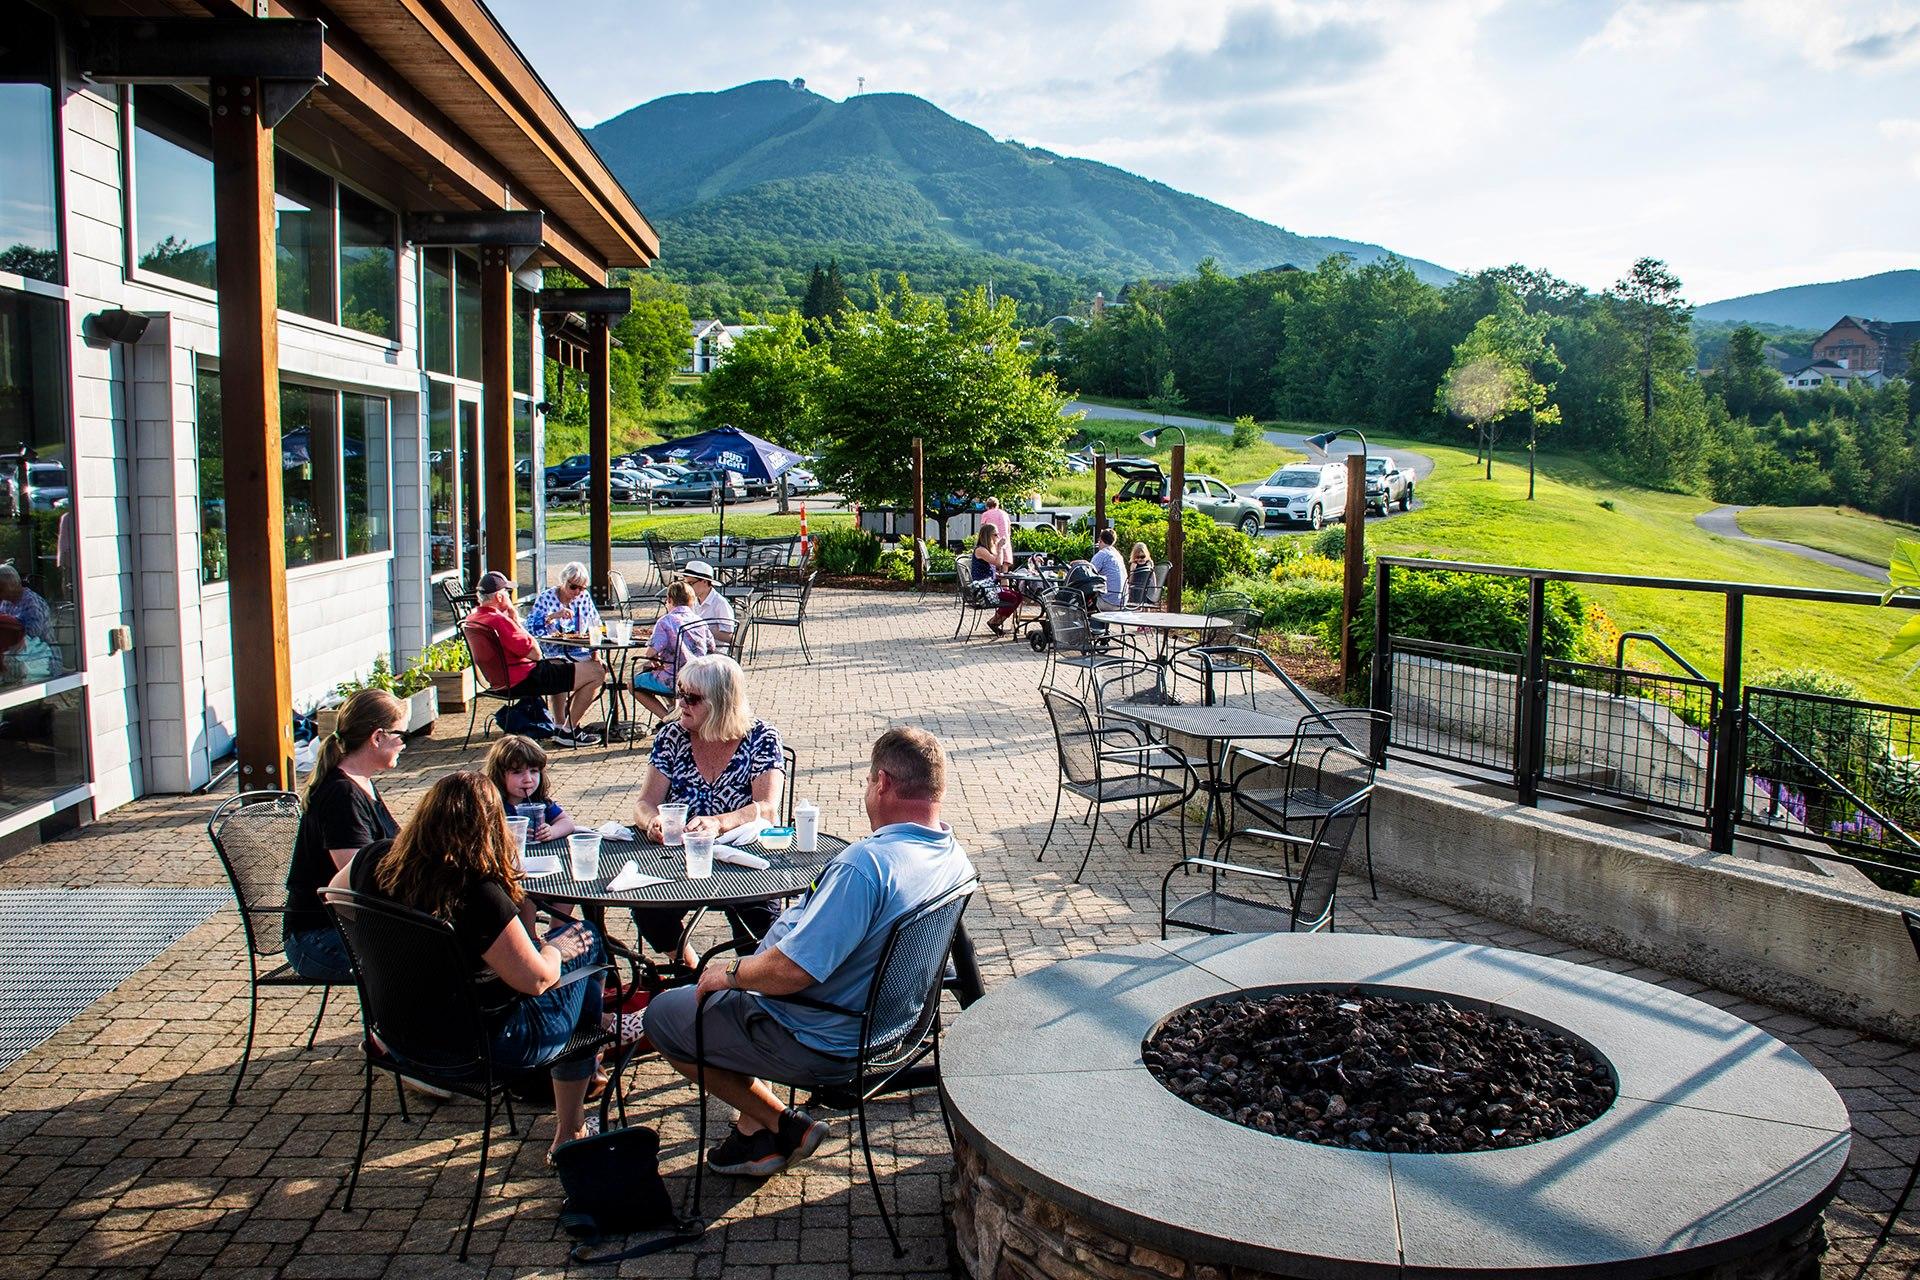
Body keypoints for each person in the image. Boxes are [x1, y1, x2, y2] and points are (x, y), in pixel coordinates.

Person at [644, 726, 975, 1179]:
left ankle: (785, 1124)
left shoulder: (868, 866)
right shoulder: (954, 856)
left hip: (820, 1035)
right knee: (725, 1008)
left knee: (664, 1014)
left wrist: (730, 973)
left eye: (864, 783)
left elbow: (790, 972)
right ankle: (755, 1136)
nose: (865, 791)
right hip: (892, 1025)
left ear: (882, 783)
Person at [329, 771, 605, 1157]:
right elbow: (537, 980)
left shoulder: (378, 859)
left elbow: (335, 897)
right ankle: (573, 1118)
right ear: (491, 828)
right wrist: (559, 948)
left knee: (572, 978)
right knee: (587, 945)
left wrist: (387, 943)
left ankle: (584, 1074)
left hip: (398, 1037)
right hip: (479, 1051)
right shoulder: (476, 891)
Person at [631, 654, 783, 962]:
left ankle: (746, 988)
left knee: (761, 930)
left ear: (721, 701)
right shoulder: (672, 736)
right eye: (680, 692)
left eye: (692, 697)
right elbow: (645, 803)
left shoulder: (760, 737)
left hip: (746, 861)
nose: (681, 702)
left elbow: (766, 808)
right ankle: (692, 970)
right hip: (678, 860)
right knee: (646, 908)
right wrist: (652, 821)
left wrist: (719, 822)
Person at [281, 689, 406, 982]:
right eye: (400, 735)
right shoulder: (342, 795)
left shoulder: (361, 782)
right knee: (434, 954)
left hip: (347, 926)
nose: (404, 744)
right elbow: (358, 880)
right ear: (377, 737)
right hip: (318, 938)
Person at [463, 570, 608, 747]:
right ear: (500, 598)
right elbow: (535, 653)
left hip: (499, 679)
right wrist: (514, 619)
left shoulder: (473, 617)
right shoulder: (499, 620)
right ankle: (570, 730)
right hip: (523, 678)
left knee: (558, 664)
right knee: (597, 671)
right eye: (507, 593)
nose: (509, 597)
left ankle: (559, 724)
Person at [631, 580, 712, 722]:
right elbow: (711, 647)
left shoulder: (665, 621)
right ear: (691, 601)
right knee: (660, 671)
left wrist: (654, 659)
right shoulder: (699, 621)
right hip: (699, 677)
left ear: (669, 600)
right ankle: (675, 712)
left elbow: (650, 653)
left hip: (674, 679)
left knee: (633, 684)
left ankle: (668, 719)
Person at [485, 734, 578, 843]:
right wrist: (506, 834)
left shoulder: (539, 802)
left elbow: (567, 822)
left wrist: (552, 832)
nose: (528, 779)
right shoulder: (490, 806)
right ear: (499, 775)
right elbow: (477, 833)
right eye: (517, 772)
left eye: (533, 771)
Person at [526, 561, 602, 662]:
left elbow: (595, 624)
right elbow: (531, 628)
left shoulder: (584, 597)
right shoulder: (546, 597)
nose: (577, 592)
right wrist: (552, 616)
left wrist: (595, 655)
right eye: (573, 587)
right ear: (564, 580)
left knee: (601, 667)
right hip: (552, 654)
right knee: (590, 669)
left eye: (582, 588)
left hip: (580, 651)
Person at [971, 525, 1022, 635]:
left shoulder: (987, 550)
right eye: (995, 534)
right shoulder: (980, 550)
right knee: (1012, 597)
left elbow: (993, 567)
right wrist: (1000, 548)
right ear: (987, 535)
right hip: (983, 590)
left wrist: (997, 575)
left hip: (990, 586)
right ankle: (994, 622)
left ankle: (996, 621)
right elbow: (998, 563)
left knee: (1018, 596)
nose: (997, 537)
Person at [681, 560, 736, 653]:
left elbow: (731, 638)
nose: (687, 588)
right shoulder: (692, 600)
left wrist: (703, 628)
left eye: (690, 584)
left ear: (705, 582)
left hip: (715, 653)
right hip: (696, 648)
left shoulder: (720, 603)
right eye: (685, 584)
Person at [0, 565, 50, 641]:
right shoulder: (6, 601)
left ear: (13, 584)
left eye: (1, 589)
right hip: (14, 650)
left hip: (40, 650)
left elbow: (32, 635)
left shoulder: (32, 603)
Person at [1089, 527, 1127, 609]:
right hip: (1122, 601)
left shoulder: (1102, 554)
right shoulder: (1117, 555)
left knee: (1082, 599)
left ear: (1100, 540)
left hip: (1108, 601)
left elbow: (1089, 573)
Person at [978, 498, 1013, 570]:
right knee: (1004, 571)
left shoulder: (986, 514)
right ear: (997, 505)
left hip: (992, 543)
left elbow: (983, 530)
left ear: (987, 506)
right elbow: (1009, 530)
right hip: (1004, 542)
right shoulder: (1005, 514)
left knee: (993, 567)